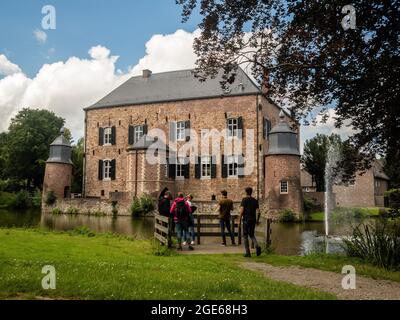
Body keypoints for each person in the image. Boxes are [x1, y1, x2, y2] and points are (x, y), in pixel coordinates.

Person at [240, 187, 261, 257]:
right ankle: (257, 246)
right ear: (251, 192)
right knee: (251, 234)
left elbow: (242, 211)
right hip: (253, 220)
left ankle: (248, 253)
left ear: (246, 192)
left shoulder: (244, 200)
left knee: (245, 235)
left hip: (246, 220)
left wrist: (239, 219)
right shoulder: (255, 200)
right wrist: (257, 220)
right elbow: (259, 212)